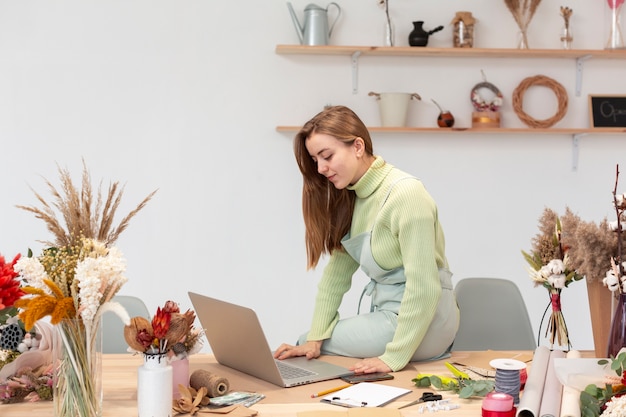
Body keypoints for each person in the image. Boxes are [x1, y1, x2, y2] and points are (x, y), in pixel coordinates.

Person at [274, 105, 459, 374]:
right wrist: (315, 337)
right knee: (311, 341)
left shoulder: (406, 194)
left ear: (358, 146)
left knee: (309, 345)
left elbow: (424, 287)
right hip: (391, 318)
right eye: (315, 160)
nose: (321, 168)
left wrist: (393, 357)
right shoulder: (353, 197)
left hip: (426, 324)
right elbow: (335, 277)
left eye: (326, 156)